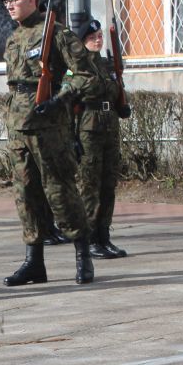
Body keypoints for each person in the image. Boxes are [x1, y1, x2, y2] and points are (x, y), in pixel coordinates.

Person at [0, 0, 94, 287]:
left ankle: (83, 254)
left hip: (49, 126)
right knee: (25, 194)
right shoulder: (14, 38)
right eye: (6, 2)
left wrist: (59, 100)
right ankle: (34, 262)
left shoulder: (56, 33)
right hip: (19, 127)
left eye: (14, 0)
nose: (9, 6)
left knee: (59, 190)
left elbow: (84, 74)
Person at [71, 15, 130, 259]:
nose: (97, 40)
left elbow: (116, 92)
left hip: (109, 128)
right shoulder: (78, 67)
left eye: (99, 36)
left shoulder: (108, 65)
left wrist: (123, 105)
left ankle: (104, 236)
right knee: (89, 187)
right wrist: (71, 137)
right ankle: (90, 239)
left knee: (108, 185)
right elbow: (69, 102)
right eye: (92, 37)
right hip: (88, 130)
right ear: (83, 41)